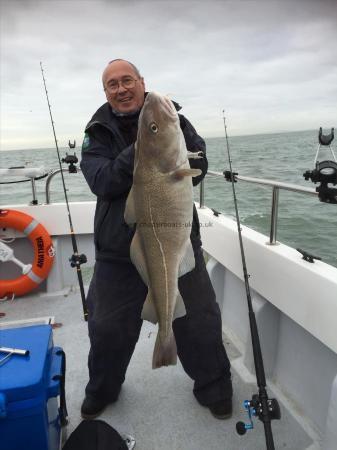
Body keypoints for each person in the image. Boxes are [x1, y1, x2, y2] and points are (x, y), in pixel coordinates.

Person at [80, 59, 233, 420]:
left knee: (200, 320)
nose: (121, 88)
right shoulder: (97, 132)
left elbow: (199, 167)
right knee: (106, 329)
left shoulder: (170, 117)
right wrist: (142, 150)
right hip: (119, 252)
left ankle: (213, 384)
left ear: (141, 81)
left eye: (127, 80)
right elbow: (101, 181)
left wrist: (163, 139)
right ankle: (103, 389)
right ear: (106, 92)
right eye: (112, 84)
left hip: (175, 242)